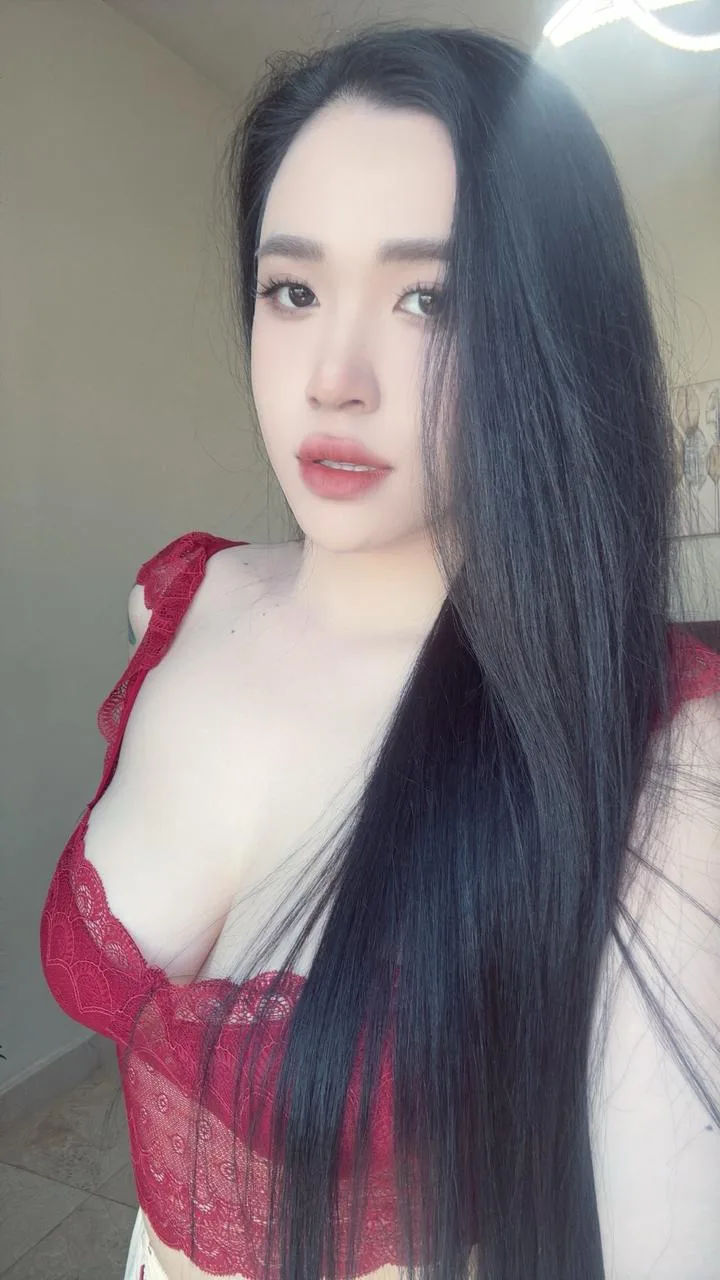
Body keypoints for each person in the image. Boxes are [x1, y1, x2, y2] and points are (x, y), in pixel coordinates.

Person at [39, 21, 720, 1280]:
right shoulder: (175, 603)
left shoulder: (656, 757)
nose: (333, 378)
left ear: (550, 337)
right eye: (292, 290)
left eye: (429, 298)